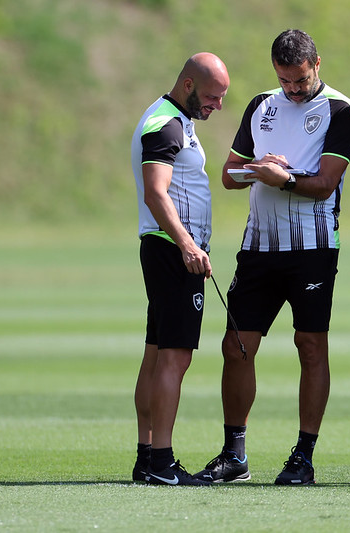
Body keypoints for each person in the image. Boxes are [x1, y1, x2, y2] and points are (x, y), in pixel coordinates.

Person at [194, 29, 350, 485]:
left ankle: (303, 457)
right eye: (285, 80)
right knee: (236, 347)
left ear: (317, 64)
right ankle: (234, 455)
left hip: (313, 248)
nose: (292, 89)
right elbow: (229, 175)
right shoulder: (261, 104)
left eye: (299, 80)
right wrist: (257, 169)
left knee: (310, 347)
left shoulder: (341, 111)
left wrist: (280, 177)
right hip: (259, 247)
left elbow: (325, 184)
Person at [130, 52, 230, 486]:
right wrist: (188, 245)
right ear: (188, 85)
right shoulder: (166, 125)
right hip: (173, 252)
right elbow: (156, 193)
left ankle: (146, 456)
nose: (217, 106)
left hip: (168, 250)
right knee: (175, 356)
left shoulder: (174, 119)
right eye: (212, 96)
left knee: (156, 352)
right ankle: (162, 463)